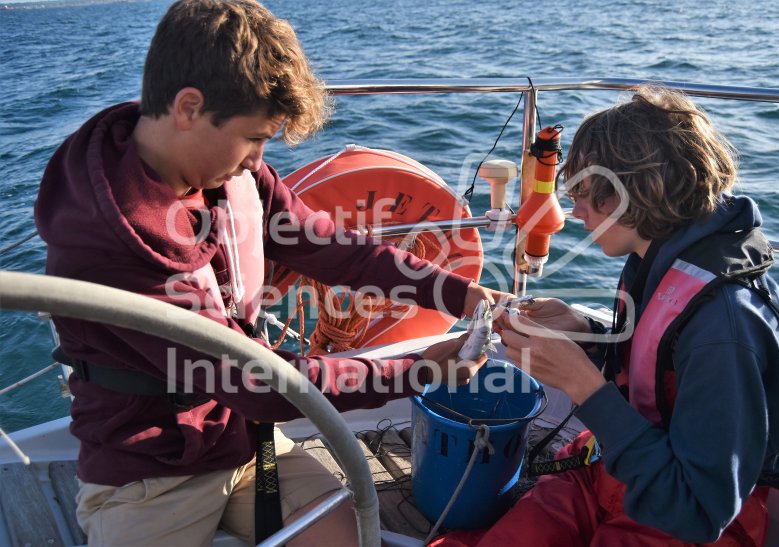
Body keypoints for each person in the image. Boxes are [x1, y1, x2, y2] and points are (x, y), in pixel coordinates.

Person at [33, 1, 508, 545]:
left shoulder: (231, 171)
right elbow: (256, 382)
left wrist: (459, 294)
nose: (258, 157)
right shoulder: (114, 239)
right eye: (255, 137)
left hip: (242, 435)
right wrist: (419, 371)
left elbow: (332, 248)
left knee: (354, 532)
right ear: (189, 107)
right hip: (149, 470)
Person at [433, 87, 779, 546]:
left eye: (587, 192)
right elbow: (660, 367)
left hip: (678, 518)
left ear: (636, 192)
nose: (574, 208)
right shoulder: (657, 258)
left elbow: (699, 513)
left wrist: (583, 385)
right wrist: (587, 333)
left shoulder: (725, 329)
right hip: (616, 472)